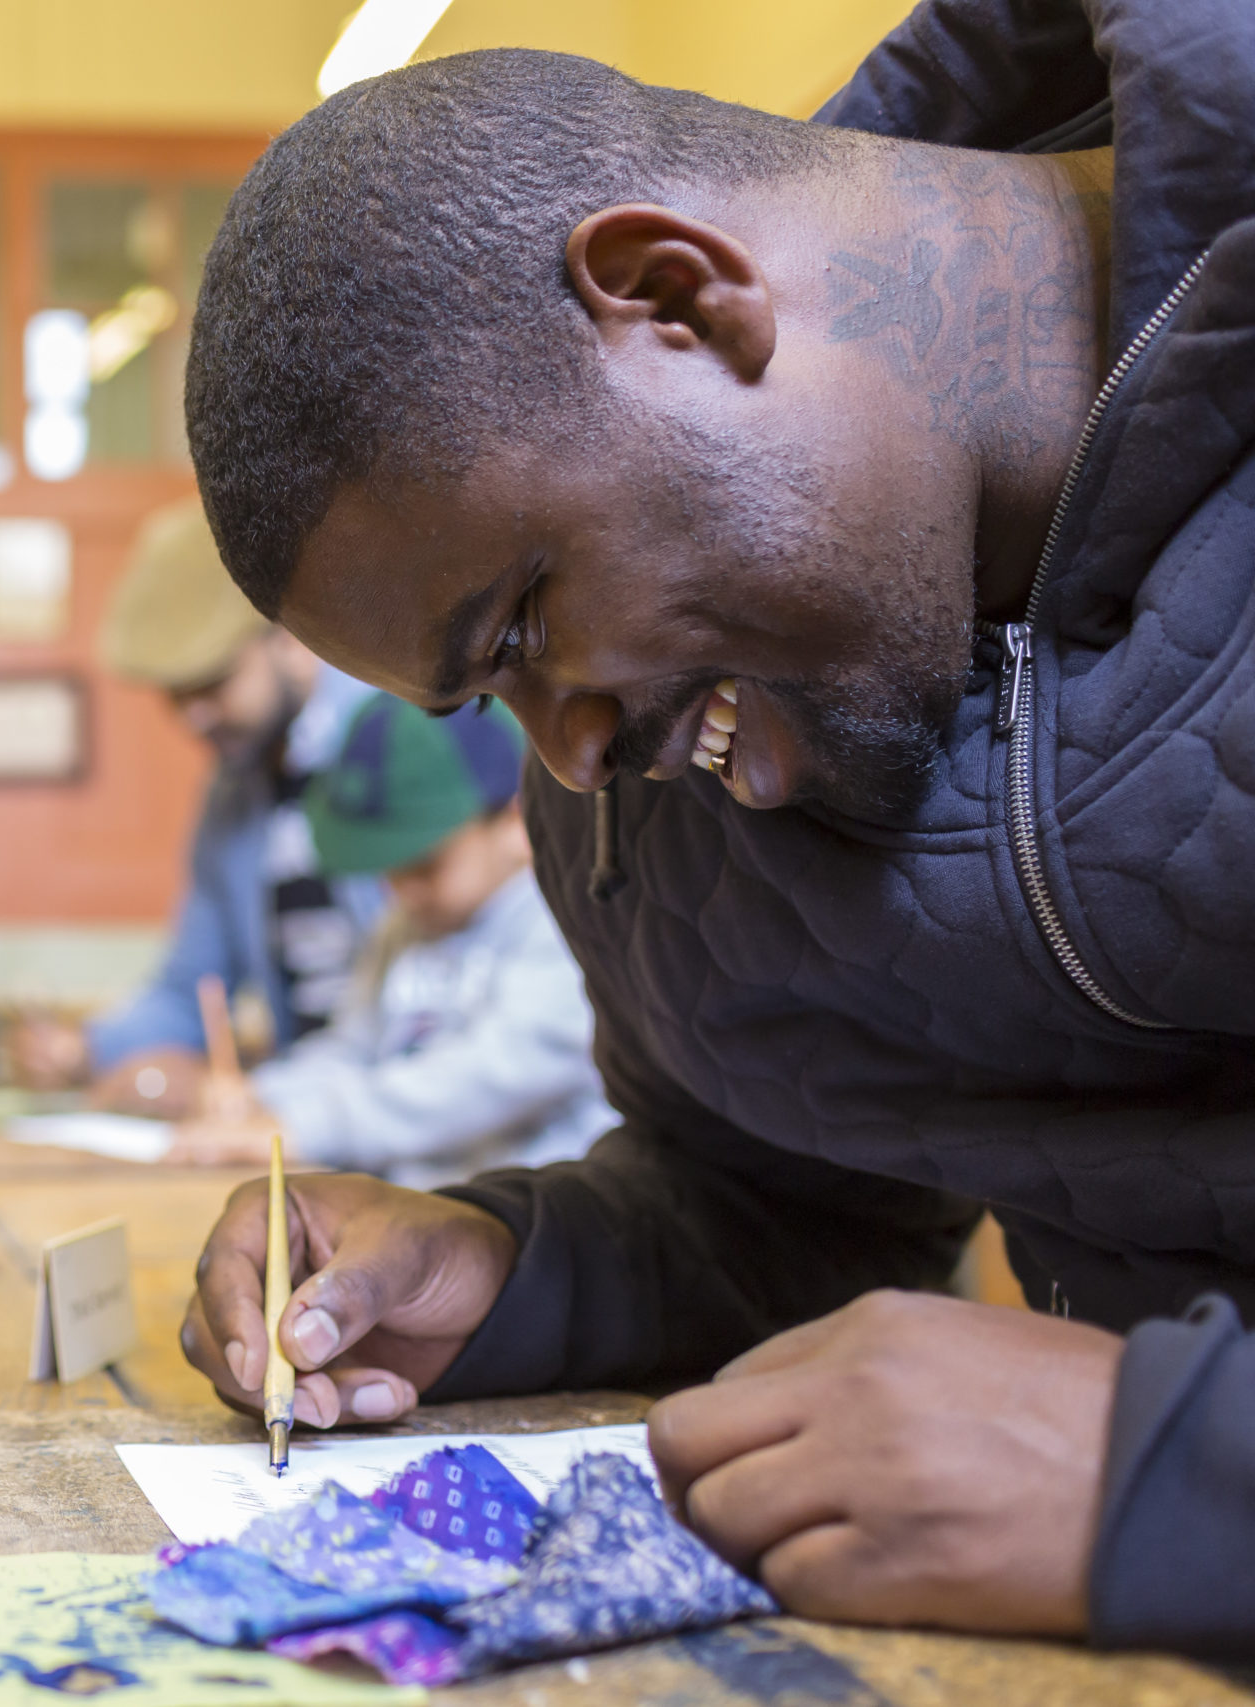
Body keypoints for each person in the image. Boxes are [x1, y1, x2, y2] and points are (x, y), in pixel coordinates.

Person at [173, 3, 1255, 1663]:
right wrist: (519, 1267)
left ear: (680, 296)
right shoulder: (676, 795)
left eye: (527, 620)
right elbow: (796, 1206)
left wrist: (1183, 1476)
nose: (575, 758)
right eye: (490, 702)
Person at [10, 498, 383, 1114]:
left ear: (288, 637)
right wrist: (83, 1049)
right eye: (175, 695)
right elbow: (191, 989)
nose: (193, 717)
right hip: (312, 1116)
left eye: (212, 682)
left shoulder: (399, 745)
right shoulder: (230, 798)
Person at [168, 695, 613, 1187]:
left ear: (514, 820)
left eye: (424, 865)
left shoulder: (565, 926)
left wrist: (305, 1127)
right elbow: (353, 1047)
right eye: (388, 868)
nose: (402, 890)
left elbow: (485, 1079)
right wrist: (261, 1096)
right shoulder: (403, 929)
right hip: (420, 1216)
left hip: (538, 1228)